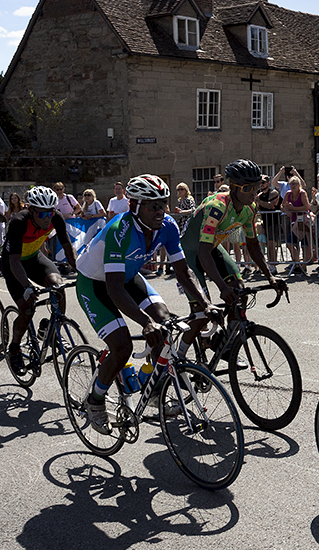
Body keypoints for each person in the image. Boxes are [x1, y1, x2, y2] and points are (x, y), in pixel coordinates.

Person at [76, 175, 215, 433]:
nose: (160, 211)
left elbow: (184, 273)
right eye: (153, 206)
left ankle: (151, 386)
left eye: (162, 204)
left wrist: (205, 304)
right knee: (122, 346)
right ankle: (95, 400)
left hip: (127, 277)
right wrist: (145, 322)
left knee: (166, 325)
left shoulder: (169, 226)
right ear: (134, 206)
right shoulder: (120, 230)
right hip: (95, 284)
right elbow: (114, 289)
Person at [179, 159, 287, 317]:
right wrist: (222, 287)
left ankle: (232, 336)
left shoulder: (250, 208)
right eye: (248, 188)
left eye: (256, 187)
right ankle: (187, 342)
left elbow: (253, 245)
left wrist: (270, 276)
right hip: (190, 254)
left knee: (240, 292)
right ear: (233, 188)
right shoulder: (216, 208)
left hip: (211, 248)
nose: (254, 193)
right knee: (202, 313)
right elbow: (203, 252)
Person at [2, 186, 79, 373]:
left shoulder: (56, 217)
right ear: (31, 210)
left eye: (50, 213)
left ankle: (53, 329)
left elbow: (68, 247)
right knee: (27, 308)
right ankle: (14, 349)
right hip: (14, 263)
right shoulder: (19, 221)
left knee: (58, 286)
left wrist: (82, 272)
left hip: (35, 258)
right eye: (42, 214)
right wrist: (27, 286)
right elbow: (13, 261)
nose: (47, 218)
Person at [282, 174, 313, 275]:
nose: (293, 186)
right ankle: (297, 263)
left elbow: (307, 206)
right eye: (291, 184)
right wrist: (286, 211)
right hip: (293, 221)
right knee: (290, 244)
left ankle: (304, 266)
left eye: (295, 184)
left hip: (302, 221)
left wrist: (293, 209)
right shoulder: (288, 193)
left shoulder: (302, 193)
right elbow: (281, 205)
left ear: (299, 184)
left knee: (304, 245)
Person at [254, 176, 283, 275]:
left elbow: (271, 205)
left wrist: (258, 201)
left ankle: (272, 266)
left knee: (271, 245)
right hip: (265, 221)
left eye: (263, 182)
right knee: (264, 244)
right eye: (260, 183)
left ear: (268, 183)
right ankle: (268, 265)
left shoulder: (273, 193)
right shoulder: (260, 194)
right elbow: (257, 208)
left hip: (274, 222)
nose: (261, 185)